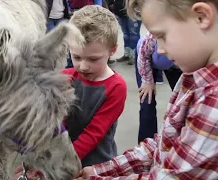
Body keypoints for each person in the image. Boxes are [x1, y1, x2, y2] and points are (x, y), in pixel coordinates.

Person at [75, 0, 218, 179]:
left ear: (201, 17)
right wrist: (101, 171)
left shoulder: (213, 100)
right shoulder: (193, 75)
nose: (160, 49)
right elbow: (166, 142)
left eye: (162, 36)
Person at [14, 5, 127, 179]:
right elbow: (55, 123)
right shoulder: (65, 77)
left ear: (112, 50)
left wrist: (64, 163)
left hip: (95, 163)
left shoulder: (116, 87)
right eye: (77, 57)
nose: (83, 65)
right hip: (63, 158)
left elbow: (94, 133)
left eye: (93, 59)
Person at [135, 32, 182, 143]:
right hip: (146, 61)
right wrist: (148, 81)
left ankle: (179, 140)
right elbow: (143, 55)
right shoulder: (152, 37)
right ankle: (146, 143)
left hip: (173, 65)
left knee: (182, 101)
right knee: (147, 101)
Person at [113, 0, 141, 65]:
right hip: (120, 10)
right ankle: (127, 54)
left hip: (134, 10)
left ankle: (133, 56)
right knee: (125, 34)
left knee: (134, 34)